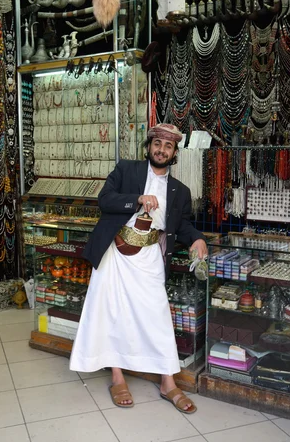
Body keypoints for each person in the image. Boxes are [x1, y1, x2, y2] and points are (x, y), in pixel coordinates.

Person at [69, 123, 207, 412]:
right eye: (157, 144)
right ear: (149, 146)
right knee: (112, 313)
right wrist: (138, 200)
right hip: (115, 255)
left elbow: (180, 226)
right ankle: (117, 377)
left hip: (149, 257)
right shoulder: (127, 170)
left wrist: (197, 239)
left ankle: (168, 382)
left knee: (156, 316)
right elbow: (104, 200)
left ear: (174, 153)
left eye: (168, 146)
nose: (161, 150)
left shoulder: (179, 191)